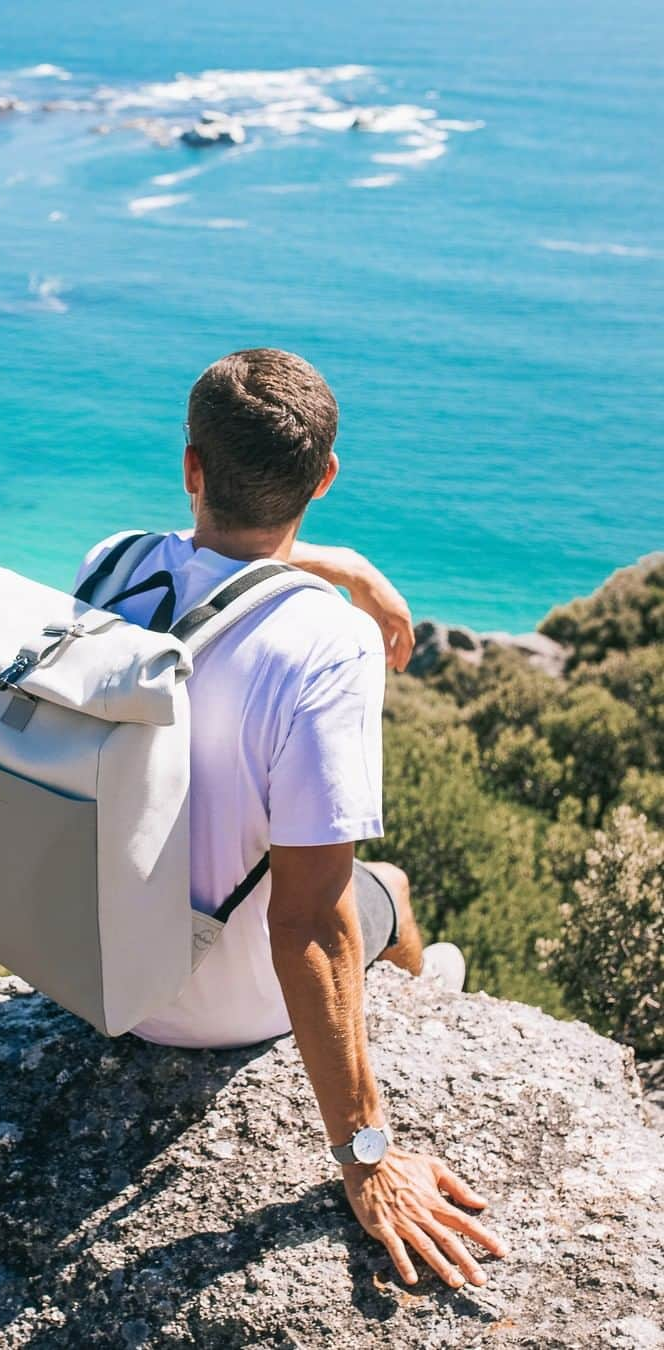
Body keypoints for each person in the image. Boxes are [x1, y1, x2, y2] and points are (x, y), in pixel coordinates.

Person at [73, 348, 509, 1290]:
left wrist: (340, 563)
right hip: (206, 1007)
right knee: (380, 891)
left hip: (95, 955)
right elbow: (307, 922)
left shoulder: (107, 566)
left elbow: (202, 557)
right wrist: (368, 1156)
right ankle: (423, 990)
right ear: (326, 478)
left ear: (190, 466)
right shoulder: (328, 645)